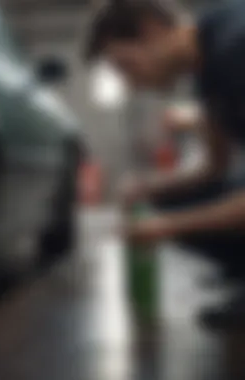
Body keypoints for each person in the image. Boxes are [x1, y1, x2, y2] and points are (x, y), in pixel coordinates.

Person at [85, 0, 245, 329]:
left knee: (170, 213)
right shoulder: (207, 68)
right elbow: (215, 167)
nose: (131, 85)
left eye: (125, 67)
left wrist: (167, 225)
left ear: (151, 29)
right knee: (163, 202)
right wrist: (149, 187)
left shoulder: (236, 47)